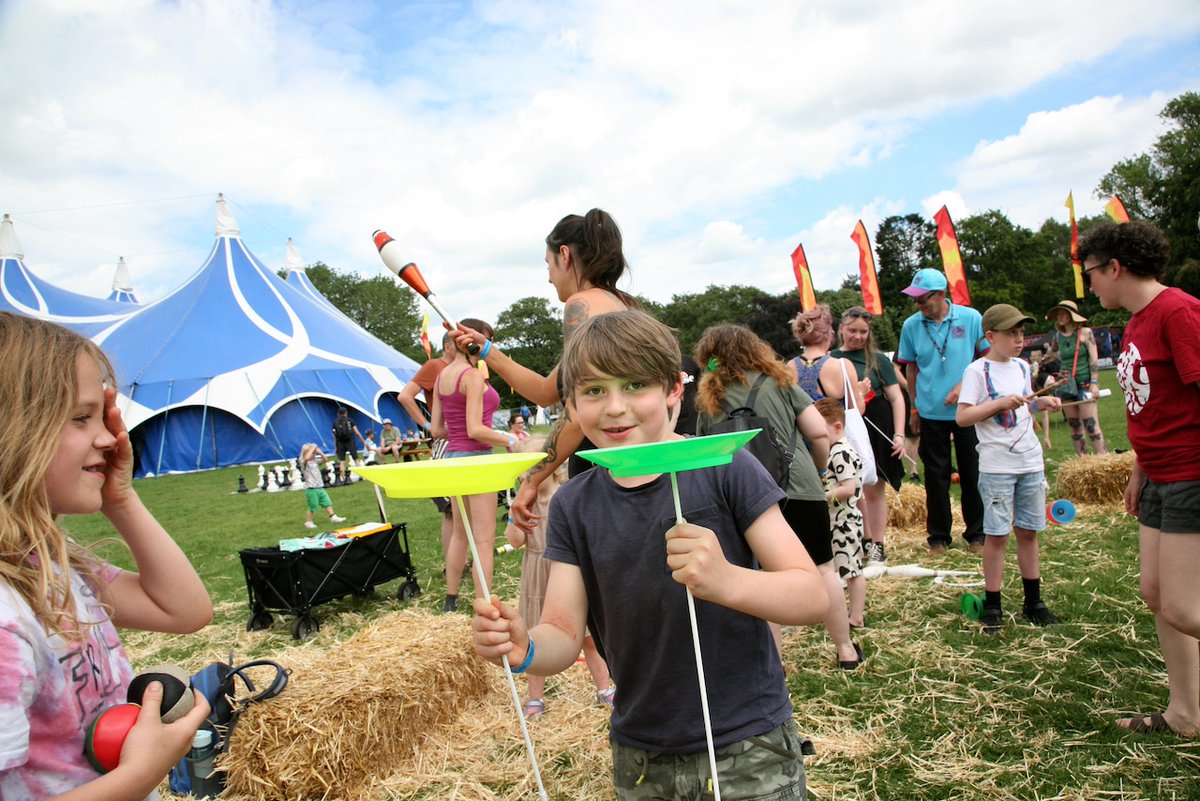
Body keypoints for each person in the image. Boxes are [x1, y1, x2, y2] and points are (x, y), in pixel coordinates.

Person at [473, 310, 828, 800]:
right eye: (594, 391)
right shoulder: (575, 503)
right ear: (571, 405)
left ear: (674, 390)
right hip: (641, 753)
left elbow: (811, 596)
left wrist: (728, 581)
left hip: (749, 743)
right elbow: (563, 632)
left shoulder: (727, 467)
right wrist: (525, 649)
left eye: (635, 385)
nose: (615, 407)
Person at [0, 312, 214, 799]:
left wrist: (120, 498)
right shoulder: (7, 619)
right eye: (81, 417)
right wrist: (140, 775)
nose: (109, 438)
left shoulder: (48, 564)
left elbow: (184, 611)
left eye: (104, 417)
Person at [1079, 221, 1200, 737]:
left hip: (1191, 473)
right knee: (1156, 594)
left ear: (1114, 267)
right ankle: (1185, 714)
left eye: (1090, 273)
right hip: (1158, 475)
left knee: (1183, 606)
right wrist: (1138, 469)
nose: (1089, 286)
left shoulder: (1179, 312)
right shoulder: (1135, 323)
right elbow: (1151, 407)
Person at [454, 209, 637, 532]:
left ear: (564, 255)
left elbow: (577, 412)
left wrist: (533, 479)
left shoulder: (581, 305)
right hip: (629, 461)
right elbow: (545, 392)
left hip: (605, 466)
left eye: (548, 264)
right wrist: (487, 351)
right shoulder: (620, 304)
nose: (549, 277)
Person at [693, 324, 862, 668]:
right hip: (800, 487)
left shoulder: (710, 397)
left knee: (766, 578)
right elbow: (819, 432)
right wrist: (818, 472)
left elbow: (704, 454)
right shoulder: (781, 382)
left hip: (744, 498)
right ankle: (845, 650)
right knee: (824, 568)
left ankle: (775, 665)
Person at [955, 304, 1063, 635]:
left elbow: (1026, 403)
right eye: (1011, 334)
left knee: (1028, 532)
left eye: (1021, 333)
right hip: (997, 466)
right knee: (998, 535)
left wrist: (1042, 402)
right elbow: (963, 417)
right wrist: (999, 403)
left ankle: (1034, 602)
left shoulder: (1020, 366)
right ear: (990, 336)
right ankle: (993, 605)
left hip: (1029, 462)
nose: (1019, 340)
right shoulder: (977, 371)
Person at [503, 436, 613, 719]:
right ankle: (535, 697)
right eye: (526, 468)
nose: (531, 473)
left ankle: (604, 688)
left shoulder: (565, 497)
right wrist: (515, 514)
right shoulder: (523, 505)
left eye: (538, 465)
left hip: (566, 571)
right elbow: (514, 541)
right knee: (533, 636)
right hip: (537, 572)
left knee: (587, 638)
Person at [895, 268, 988, 554]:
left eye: (922, 299)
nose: (917, 305)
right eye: (914, 300)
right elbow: (911, 368)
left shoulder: (971, 318)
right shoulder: (911, 326)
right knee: (936, 476)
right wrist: (914, 408)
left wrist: (964, 384)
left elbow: (987, 358)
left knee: (972, 472)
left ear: (940, 294)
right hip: (930, 413)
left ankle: (977, 534)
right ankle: (938, 537)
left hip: (968, 410)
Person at [431, 318, 519, 614]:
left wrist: (458, 434)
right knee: (483, 540)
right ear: (469, 341)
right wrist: (510, 438)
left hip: (453, 459)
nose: (487, 348)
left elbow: (436, 429)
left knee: (460, 533)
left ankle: (451, 598)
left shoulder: (442, 376)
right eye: (485, 341)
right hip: (478, 461)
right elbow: (476, 429)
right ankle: (484, 606)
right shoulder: (471, 376)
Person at [833, 306, 907, 565]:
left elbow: (897, 398)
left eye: (863, 332)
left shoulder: (879, 360)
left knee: (874, 489)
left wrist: (899, 435)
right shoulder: (831, 359)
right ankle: (862, 539)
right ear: (841, 329)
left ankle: (877, 543)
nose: (857, 336)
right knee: (852, 487)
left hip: (876, 425)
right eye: (852, 330)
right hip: (846, 426)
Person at [813, 398, 868, 637]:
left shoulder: (841, 453)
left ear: (836, 427)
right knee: (837, 568)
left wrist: (821, 496)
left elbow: (848, 488)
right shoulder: (834, 451)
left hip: (845, 521)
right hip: (835, 520)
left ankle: (856, 616)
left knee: (851, 569)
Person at [1044, 300, 1108, 456]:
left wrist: (1094, 383)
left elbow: (1093, 359)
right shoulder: (1058, 336)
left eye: (1063, 314)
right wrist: (1044, 359)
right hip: (1066, 385)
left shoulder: (1085, 333)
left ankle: (1103, 459)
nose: (1060, 317)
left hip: (1084, 383)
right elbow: (1053, 353)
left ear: (1072, 316)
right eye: (1058, 314)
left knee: (1091, 425)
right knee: (1074, 426)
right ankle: (1082, 460)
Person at [398, 332, 455, 435]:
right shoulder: (434, 365)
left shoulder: (465, 368)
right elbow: (404, 396)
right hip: (447, 434)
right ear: (447, 347)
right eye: (459, 345)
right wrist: (427, 425)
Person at [299, 443, 348, 529]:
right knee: (313, 506)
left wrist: (320, 452)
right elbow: (306, 458)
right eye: (312, 453)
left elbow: (325, 459)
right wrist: (313, 447)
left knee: (327, 502)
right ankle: (308, 522)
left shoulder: (315, 462)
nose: (314, 455)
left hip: (319, 487)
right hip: (311, 489)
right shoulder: (303, 462)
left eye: (314, 453)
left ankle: (332, 516)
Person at [331, 406, 365, 484]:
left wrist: (335, 447)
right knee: (356, 459)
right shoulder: (350, 420)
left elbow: (334, 436)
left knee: (342, 461)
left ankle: (343, 477)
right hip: (350, 441)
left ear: (338, 414)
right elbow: (357, 432)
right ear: (346, 413)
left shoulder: (335, 422)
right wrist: (363, 441)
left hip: (340, 443)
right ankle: (361, 475)